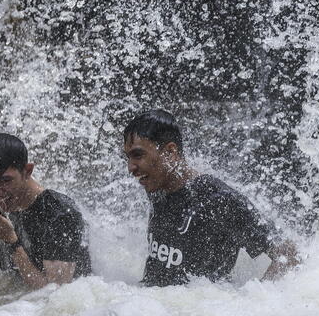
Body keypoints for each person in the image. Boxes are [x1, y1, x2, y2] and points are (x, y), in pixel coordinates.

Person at [123, 109, 299, 286]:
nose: (131, 167)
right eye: (128, 157)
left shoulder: (219, 200)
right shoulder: (156, 187)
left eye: (138, 155)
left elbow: (289, 255)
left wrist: (253, 301)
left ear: (170, 152)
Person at [0, 133, 91, 289]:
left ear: (27, 171)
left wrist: (12, 243)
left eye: (5, 180)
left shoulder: (59, 212)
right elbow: (1, 281)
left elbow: (55, 294)